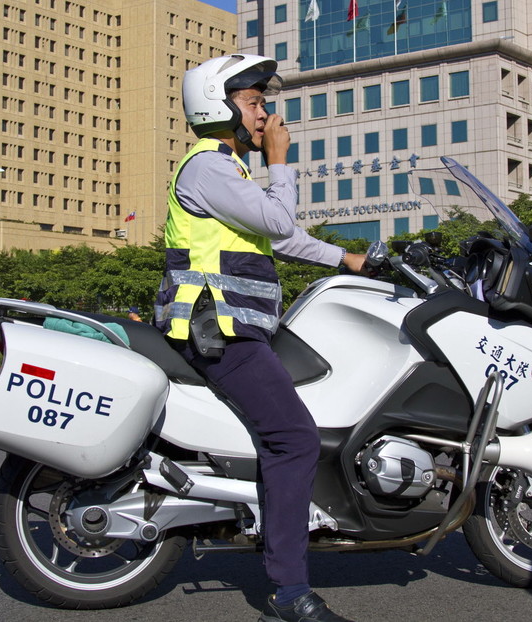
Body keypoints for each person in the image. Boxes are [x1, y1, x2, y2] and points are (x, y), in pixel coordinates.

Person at [153, 54, 365, 622]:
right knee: (293, 439)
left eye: (262, 103)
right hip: (218, 329)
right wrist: (281, 163)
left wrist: (351, 260)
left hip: (235, 328)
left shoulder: (224, 169)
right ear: (217, 108)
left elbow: (280, 239)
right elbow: (278, 222)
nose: (265, 114)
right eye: (253, 103)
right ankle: (289, 590)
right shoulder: (208, 167)